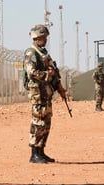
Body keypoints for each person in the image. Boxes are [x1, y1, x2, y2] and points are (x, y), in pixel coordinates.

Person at [24, 24, 66, 163]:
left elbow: (53, 72)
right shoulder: (31, 52)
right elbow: (32, 72)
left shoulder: (43, 53)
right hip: (38, 93)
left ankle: (41, 150)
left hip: (46, 93)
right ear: (36, 37)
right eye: (42, 37)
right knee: (38, 121)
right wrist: (48, 75)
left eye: (45, 37)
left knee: (46, 122)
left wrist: (58, 85)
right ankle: (34, 152)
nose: (45, 39)